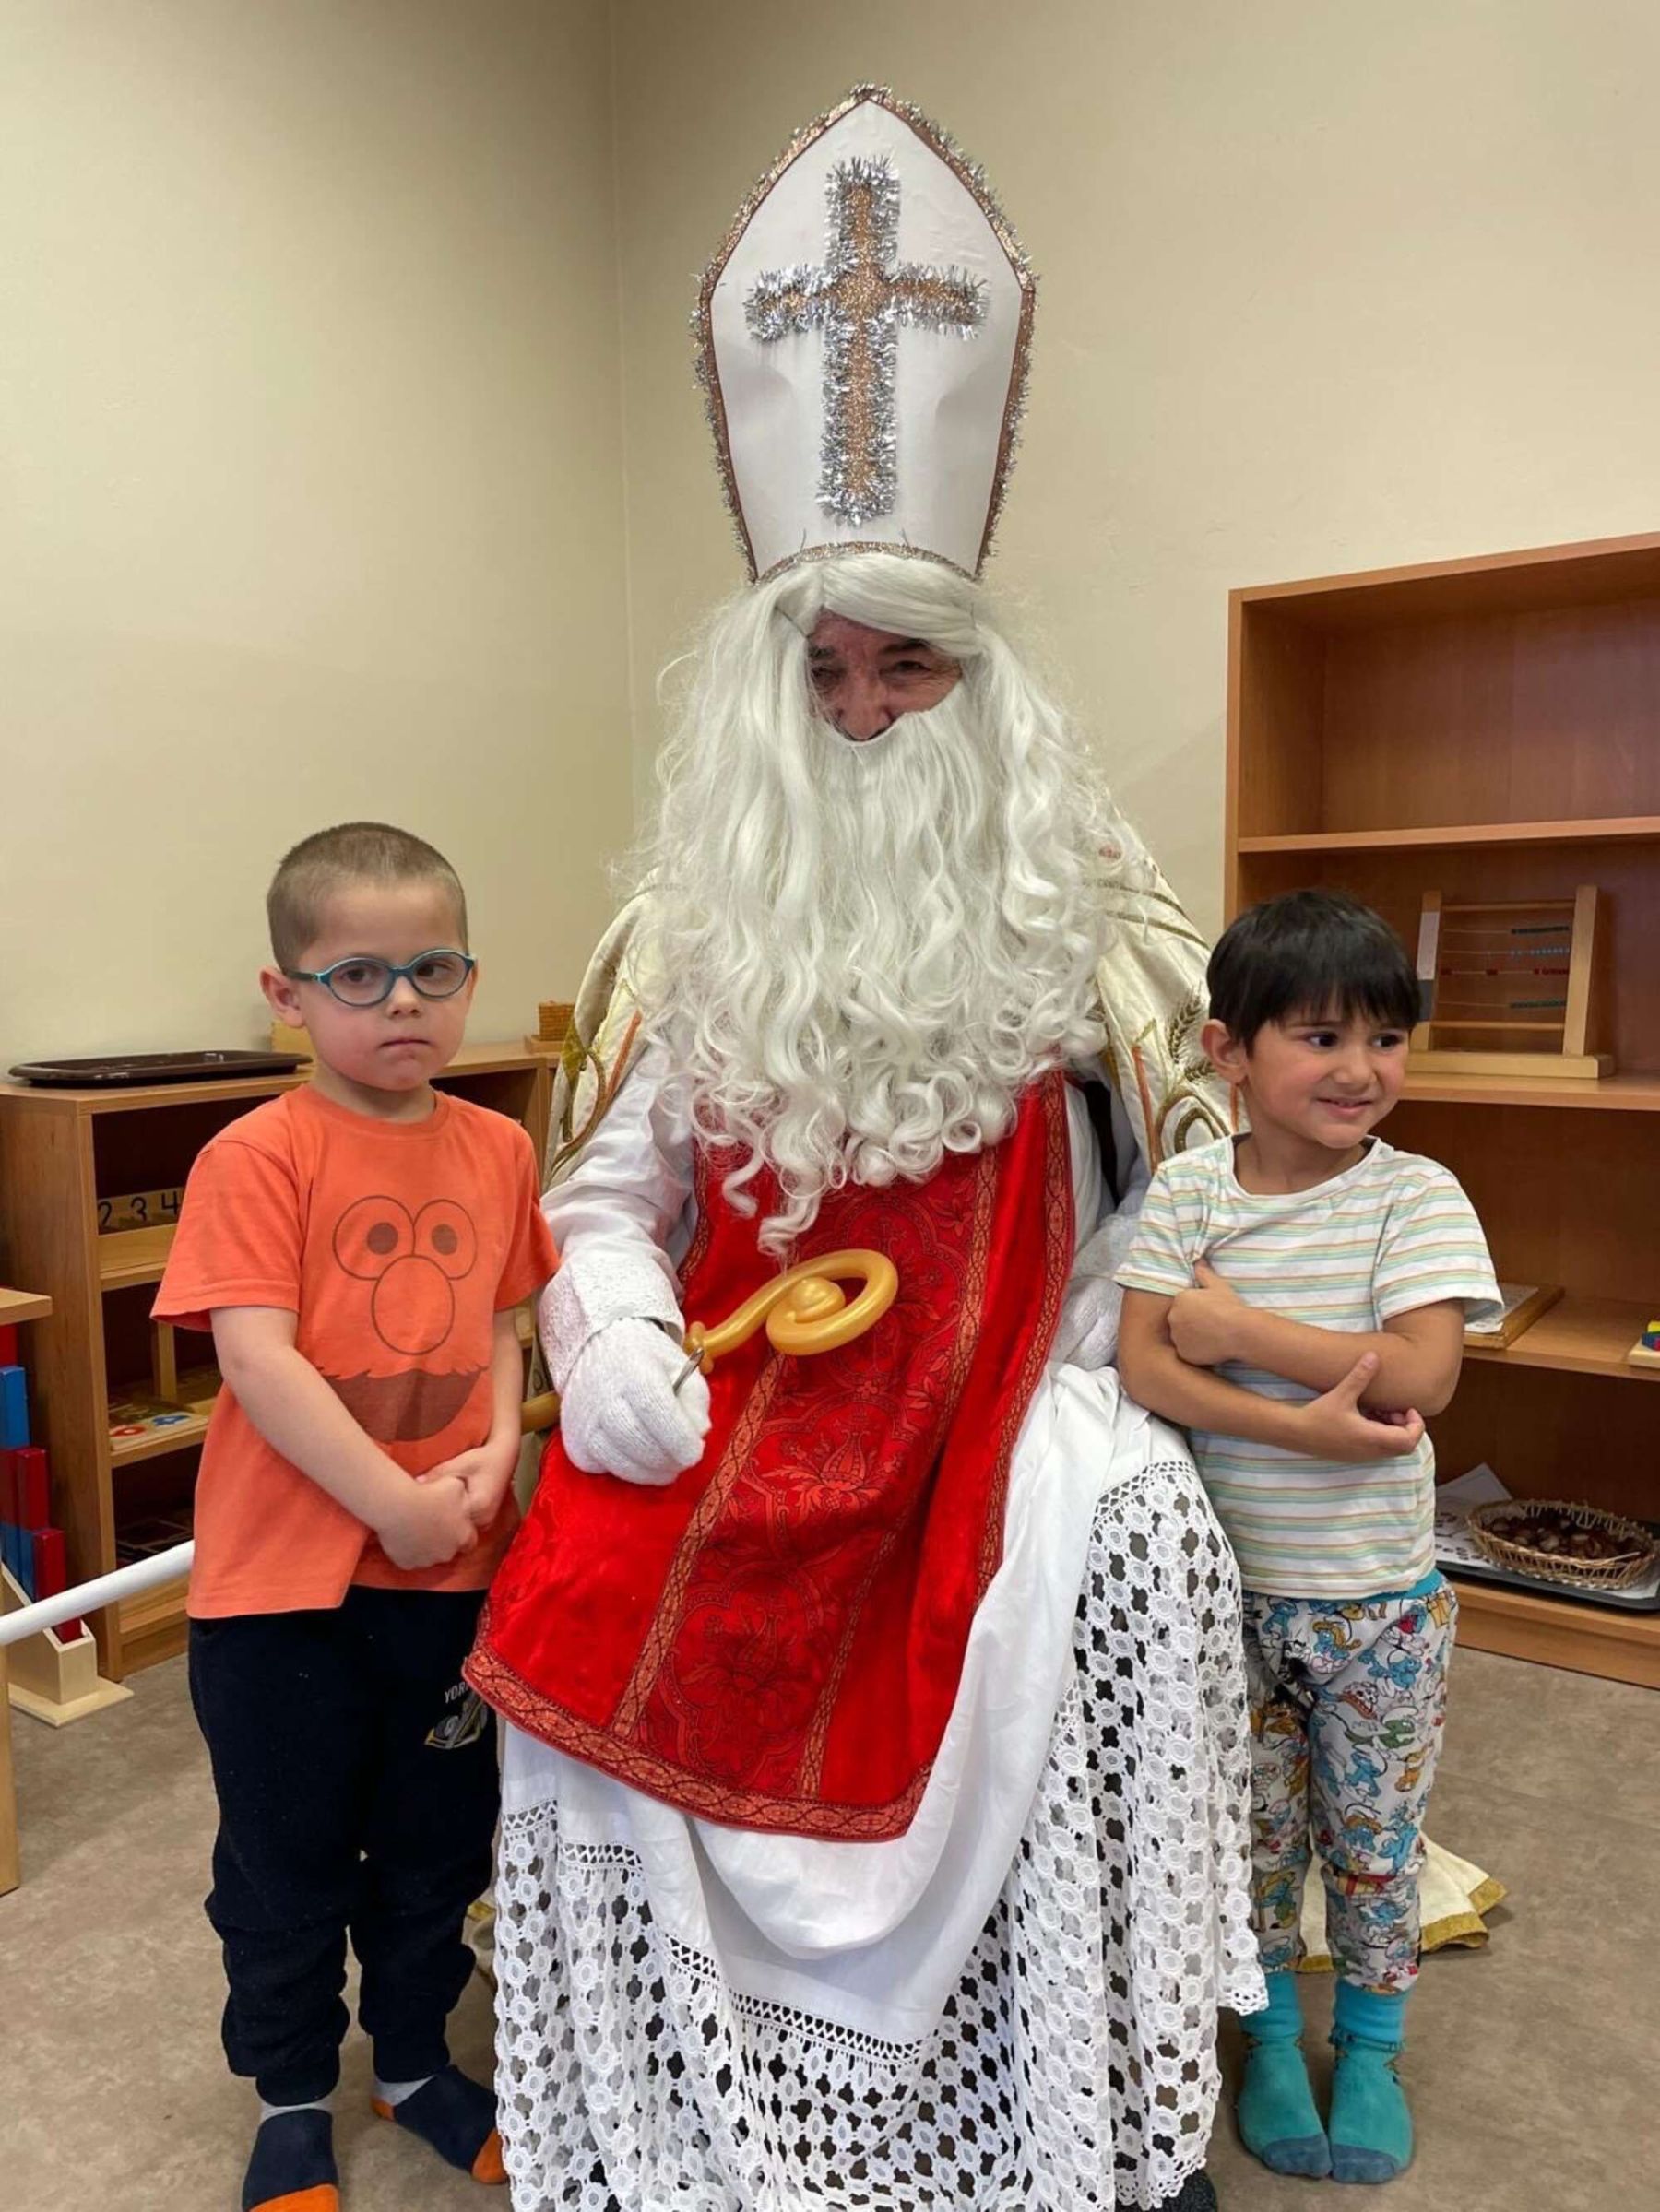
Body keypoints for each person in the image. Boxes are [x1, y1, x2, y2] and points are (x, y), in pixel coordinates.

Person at [467, 87, 1262, 2212]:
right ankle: (688, 2116)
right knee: (577, 1583)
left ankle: (1075, 2098)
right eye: (825, 672)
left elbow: (1166, 1207)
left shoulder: (1089, 919)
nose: (866, 714)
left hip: (1003, 1415)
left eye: (912, 667)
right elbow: (603, 1200)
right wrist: (610, 1332)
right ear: (766, 694)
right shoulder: (692, 929)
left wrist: (1091, 1386)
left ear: (983, 685)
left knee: (1127, 1558)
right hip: (748, 1416)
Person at [154, 822, 556, 2212]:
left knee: (438, 1843)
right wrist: (391, 1504)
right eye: (359, 976)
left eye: (433, 970)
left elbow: (504, 1322)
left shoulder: (500, 1145)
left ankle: (414, 2062)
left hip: (448, 1579)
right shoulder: (255, 1156)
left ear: (469, 977)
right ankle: (289, 2091)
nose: (402, 1002)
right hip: (283, 1593)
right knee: (286, 1860)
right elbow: (258, 1361)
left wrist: (494, 1456)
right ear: (288, 995)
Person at [1116, 889, 1502, 2184]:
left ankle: (1373, 2053)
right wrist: (1308, 1427)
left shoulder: (1417, 1196)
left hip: (1377, 1603)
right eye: (1323, 1037)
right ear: (1228, 1050)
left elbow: (1426, 1372)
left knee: (1375, 1846)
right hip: (1224, 1599)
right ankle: (1273, 2040)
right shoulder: (1187, 1192)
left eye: (1386, 1039)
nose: (1361, 1069)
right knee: (1255, 1842)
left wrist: (1241, 1334)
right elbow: (1148, 1368)